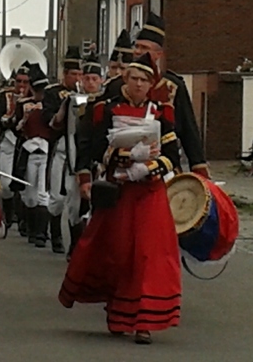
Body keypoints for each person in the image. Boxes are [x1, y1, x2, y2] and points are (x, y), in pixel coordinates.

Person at [60, 53, 181, 345]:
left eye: (145, 80)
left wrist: (150, 166)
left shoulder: (162, 111)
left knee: (150, 254)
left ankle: (145, 321)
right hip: (120, 189)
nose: (139, 85)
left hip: (150, 191)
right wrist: (123, 160)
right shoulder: (105, 108)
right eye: (134, 78)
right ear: (125, 79)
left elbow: (172, 156)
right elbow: (95, 147)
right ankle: (118, 310)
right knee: (118, 251)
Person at [106, 13, 210, 178]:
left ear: (158, 54)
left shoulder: (173, 86)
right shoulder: (117, 85)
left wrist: (199, 169)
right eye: (137, 47)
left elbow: (189, 131)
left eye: (145, 48)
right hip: (122, 164)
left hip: (163, 164)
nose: (138, 52)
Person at [44, 46, 83, 254]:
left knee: (75, 200)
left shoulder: (88, 94)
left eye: (80, 74)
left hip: (78, 151)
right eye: (73, 74)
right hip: (60, 149)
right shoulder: (52, 93)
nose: (77, 78)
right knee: (57, 198)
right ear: (65, 75)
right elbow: (49, 121)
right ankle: (55, 234)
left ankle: (75, 245)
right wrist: (63, 108)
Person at [11, 63, 54, 247]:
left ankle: (41, 233)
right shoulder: (22, 104)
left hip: (46, 152)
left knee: (43, 192)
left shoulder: (49, 106)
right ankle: (29, 225)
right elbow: (16, 127)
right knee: (29, 193)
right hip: (29, 151)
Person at [66, 54, 104, 260]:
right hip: (75, 155)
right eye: (87, 78)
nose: (90, 82)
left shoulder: (106, 102)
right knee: (74, 205)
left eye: (94, 79)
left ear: (101, 80)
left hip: (98, 159)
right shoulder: (73, 101)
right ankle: (75, 243)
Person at [0, 64, 30, 232]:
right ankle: (10, 214)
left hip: (29, 145)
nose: (21, 85)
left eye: (25, 82)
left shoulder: (37, 97)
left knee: (29, 185)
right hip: (8, 143)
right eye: (19, 81)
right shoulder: (1, 96)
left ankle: (26, 219)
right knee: (6, 182)